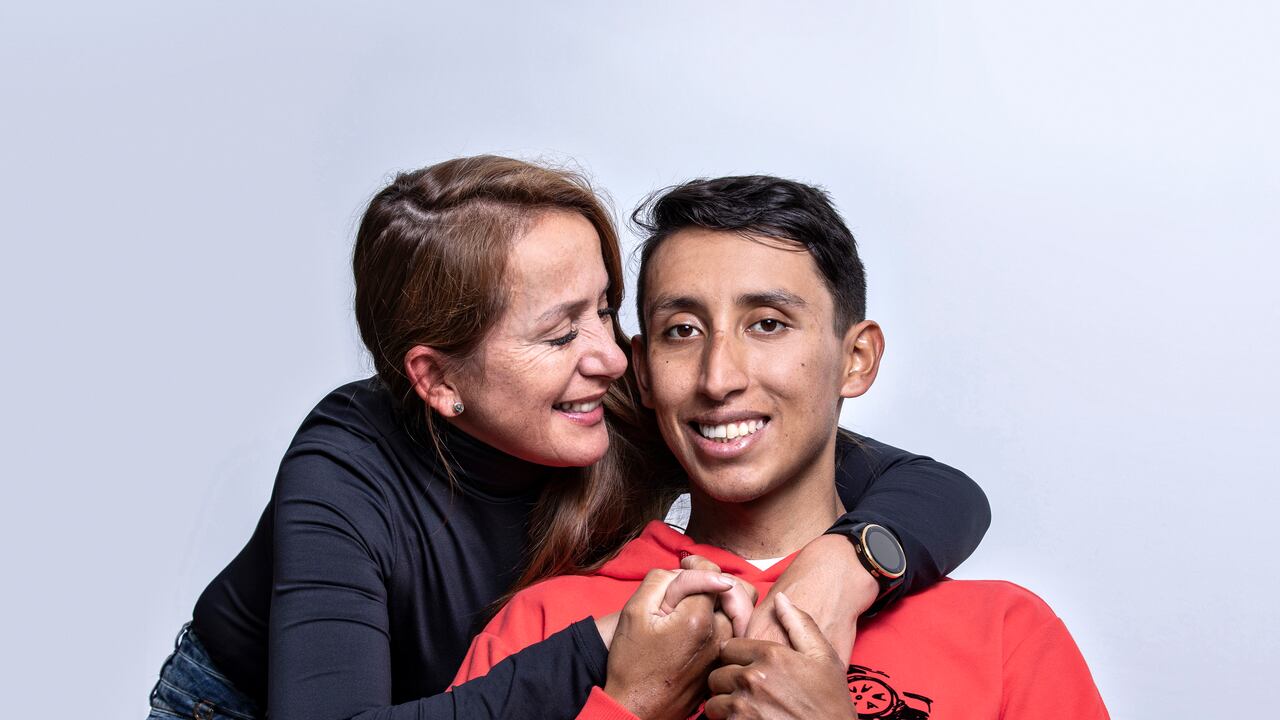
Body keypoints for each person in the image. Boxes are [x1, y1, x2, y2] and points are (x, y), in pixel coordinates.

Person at [146, 157, 992, 720]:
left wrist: (846, 566)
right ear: (437, 380)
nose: (611, 357)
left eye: (605, 310)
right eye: (559, 335)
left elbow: (936, 489)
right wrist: (603, 654)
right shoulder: (344, 472)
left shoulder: (623, 395)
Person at [453, 175, 1108, 719]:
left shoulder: (1003, 635)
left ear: (856, 359)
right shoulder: (543, 627)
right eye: (683, 330)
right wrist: (626, 706)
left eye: (767, 324)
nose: (718, 378)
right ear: (644, 371)